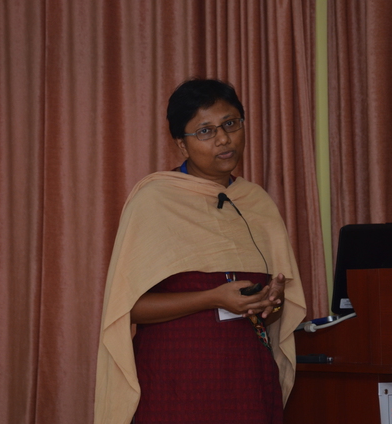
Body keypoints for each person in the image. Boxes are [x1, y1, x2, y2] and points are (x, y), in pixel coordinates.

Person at [94, 79, 306, 424]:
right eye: (205, 131)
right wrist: (212, 298)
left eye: (231, 123)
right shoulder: (155, 201)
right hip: (177, 383)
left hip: (248, 382)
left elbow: (272, 314)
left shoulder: (257, 202)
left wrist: (271, 301)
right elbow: (129, 310)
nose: (223, 139)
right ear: (182, 144)